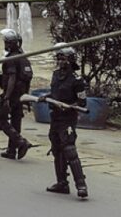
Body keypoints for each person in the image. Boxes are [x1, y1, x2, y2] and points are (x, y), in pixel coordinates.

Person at [41, 45, 88, 198]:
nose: (60, 61)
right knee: (57, 149)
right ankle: (61, 183)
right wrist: (45, 96)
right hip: (55, 118)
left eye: (63, 58)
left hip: (67, 120)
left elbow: (82, 102)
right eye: (59, 58)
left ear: (70, 60)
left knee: (69, 149)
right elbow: (55, 92)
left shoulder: (77, 80)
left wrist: (69, 107)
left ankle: (81, 185)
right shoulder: (55, 75)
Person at [0, 28, 33, 160]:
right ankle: (11, 150)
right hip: (21, 94)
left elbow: (12, 77)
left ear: (10, 44)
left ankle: (20, 142)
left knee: (0, 118)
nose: (4, 44)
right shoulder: (24, 58)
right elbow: (28, 79)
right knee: (16, 121)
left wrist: (6, 97)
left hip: (12, 94)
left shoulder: (11, 59)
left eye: (6, 42)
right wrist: (26, 97)